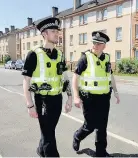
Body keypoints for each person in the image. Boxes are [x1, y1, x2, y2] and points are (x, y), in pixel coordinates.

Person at [22, 17, 72, 157]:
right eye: (53, 31)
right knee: (49, 135)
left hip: (57, 99)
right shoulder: (34, 54)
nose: (57, 34)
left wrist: (69, 97)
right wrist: (29, 104)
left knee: (48, 130)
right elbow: (26, 81)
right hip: (42, 100)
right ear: (44, 34)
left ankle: (40, 150)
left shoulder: (60, 54)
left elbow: (64, 77)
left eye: (57, 31)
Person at [72, 31, 120, 157]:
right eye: (94, 42)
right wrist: (76, 96)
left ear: (104, 45)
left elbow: (110, 76)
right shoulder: (85, 58)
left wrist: (116, 91)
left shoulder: (107, 58)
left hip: (104, 97)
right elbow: (75, 78)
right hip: (89, 97)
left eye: (99, 43)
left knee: (102, 126)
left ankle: (101, 152)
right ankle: (77, 136)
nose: (96, 45)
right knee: (90, 125)